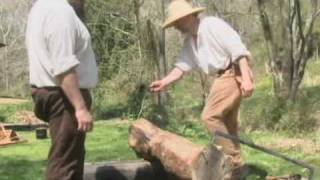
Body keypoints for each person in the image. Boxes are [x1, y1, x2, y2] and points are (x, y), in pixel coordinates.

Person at [150, 0, 254, 178]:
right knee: (227, 124)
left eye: (179, 21)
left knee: (210, 116)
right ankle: (239, 169)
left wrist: (246, 78)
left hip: (232, 72)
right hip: (221, 76)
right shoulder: (191, 41)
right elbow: (182, 66)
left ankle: (235, 164)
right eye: (175, 23)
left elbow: (238, 49)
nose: (177, 26)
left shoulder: (212, 25)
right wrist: (165, 81)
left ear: (190, 16)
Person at [26, 0, 98, 179]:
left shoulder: (41, 8)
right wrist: (80, 108)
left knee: (67, 159)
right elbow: (63, 65)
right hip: (64, 96)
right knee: (65, 167)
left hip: (57, 93)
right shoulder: (59, 11)